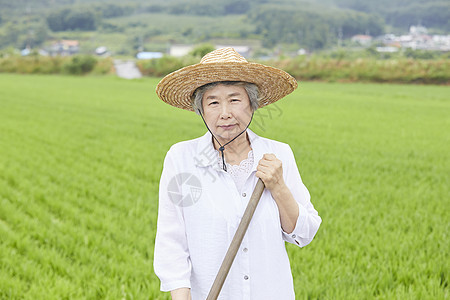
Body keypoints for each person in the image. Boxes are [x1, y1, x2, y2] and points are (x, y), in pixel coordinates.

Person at [154, 47, 321, 300]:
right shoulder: (182, 158)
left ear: (252, 106)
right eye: (213, 102)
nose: (225, 113)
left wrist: (278, 187)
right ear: (200, 110)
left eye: (234, 100)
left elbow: (304, 234)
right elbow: (172, 240)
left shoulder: (278, 154)